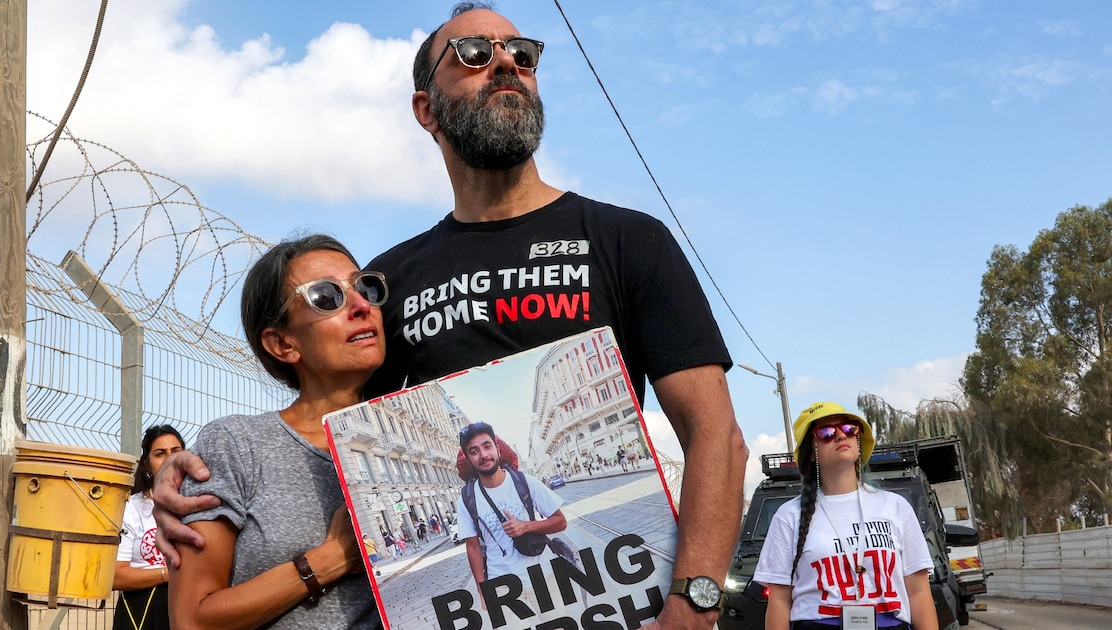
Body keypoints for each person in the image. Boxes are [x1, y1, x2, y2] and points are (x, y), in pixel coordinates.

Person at [153, 4, 748, 627]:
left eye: (522, 53)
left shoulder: (627, 240)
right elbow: (332, 432)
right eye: (473, 54)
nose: (505, 65)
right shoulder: (390, 282)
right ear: (427, 109)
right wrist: (185, 475)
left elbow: (716, 435)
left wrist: (694, 600)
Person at [167, 234, 384, 629]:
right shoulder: (239, 445)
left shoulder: (420, 435)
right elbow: (191, 619)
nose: (360, 306)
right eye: (326, 296)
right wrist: (331, 557)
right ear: (283, 343)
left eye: (364, 286)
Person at [754, 402, 938, 630]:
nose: (841, 435)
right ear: (811, 452)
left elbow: (919, 591)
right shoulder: (789, 516)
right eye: (827, 433)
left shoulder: (896, 507)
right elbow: (779, 600)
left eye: (850, 429)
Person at [455, 421, 566, 588]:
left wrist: (526, 526)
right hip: (502, 585)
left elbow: (560, 521)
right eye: (474, 451)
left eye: (487, 446)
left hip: (543, 575)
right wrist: (482, 590)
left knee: (557, 616)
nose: (483, 455)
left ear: (497, 450)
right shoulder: (466, 499)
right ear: (469, 460)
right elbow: (473, 547)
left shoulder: (525, 482)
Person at [112, 424, 185, 630]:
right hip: (143, 611)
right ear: (147, 466)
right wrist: (168, 574)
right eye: (160, 453)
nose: (169, 458)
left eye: (176, 451)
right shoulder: (131, 509)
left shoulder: (200, 505)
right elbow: (116, 575)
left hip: (189, 604)